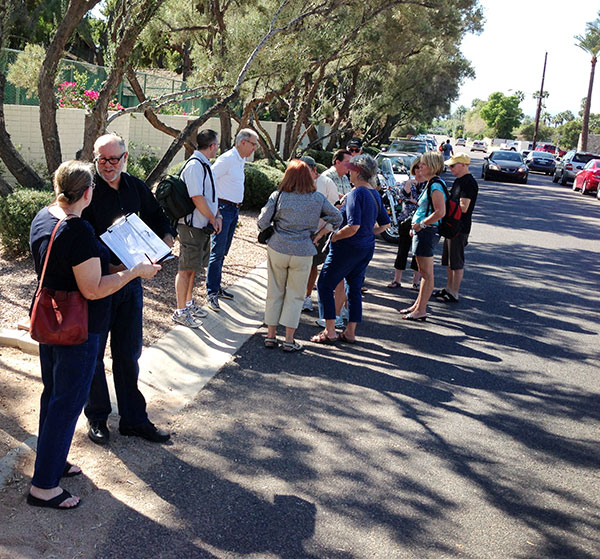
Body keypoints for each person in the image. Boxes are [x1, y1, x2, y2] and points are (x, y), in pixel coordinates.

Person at [28, 160, 160, 510]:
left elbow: (69, 268)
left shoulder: (44, 217)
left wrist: (120, 266)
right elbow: (94, 289)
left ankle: (52, 463)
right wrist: (135, 272)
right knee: (66, 405)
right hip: (79, 328)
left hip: (51, 320)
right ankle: (43, 486)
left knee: (54, 396)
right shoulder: (78, 230)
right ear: (87, 192)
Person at [82, 133, 174, 445]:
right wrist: (110, 267)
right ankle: (96, 417)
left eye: (114, 159)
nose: (108, 165)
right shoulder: (86, 190)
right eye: (102, 159)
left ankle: (133, 419)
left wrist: (165, 244)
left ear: (125, 158)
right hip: (99, 284)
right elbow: (79, 237)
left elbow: (161, 221)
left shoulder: (135, 186)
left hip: (131, 285)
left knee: (128, 353)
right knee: (93, 354)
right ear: (95, 158)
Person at [258, 160, 341, 352]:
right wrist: (319, 234)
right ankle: (289, 339)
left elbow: (262, 221)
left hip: (278, 247)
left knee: (274, 291)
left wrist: (272, 230)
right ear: (309, 176)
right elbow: (337, 218)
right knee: (296, 296)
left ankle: (270, 335)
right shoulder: (317, 198)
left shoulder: (278, 195)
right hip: (303, 250)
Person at [312, 154, 390, 345]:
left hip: (347, 248)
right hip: (366, 247)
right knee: (354, 288)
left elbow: (352, 226)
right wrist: (368, 232)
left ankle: (330, 330)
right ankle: (350, 331)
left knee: (324, 284)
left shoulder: (357, 193)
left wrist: (335, 236)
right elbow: (385, 224)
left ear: (358, 171)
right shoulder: (374, 194)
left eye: (351, 169)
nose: (348, 172)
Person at [206, 128, 259, 312]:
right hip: (223, 209)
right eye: (253, 144)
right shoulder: (227, 159)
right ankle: (211, 292)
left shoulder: (240, 159)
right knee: (217, 251)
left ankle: (217, 287)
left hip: (234, 210)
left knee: (224, 250)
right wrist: (215, 211)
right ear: (242, 142)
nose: (255, 148)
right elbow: (209, 180)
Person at [173, 129, 221, 328]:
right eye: (217, 145)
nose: (218, 148)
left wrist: (216, 216)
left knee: (193, 269)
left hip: (201, 226)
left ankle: (189, 304)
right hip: (191, 226)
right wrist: (212, 217)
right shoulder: (195, 166)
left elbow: (208, 196)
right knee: (185, 269)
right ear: (211, 146)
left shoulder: (203, 164)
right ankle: (180, 311)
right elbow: (196, 197)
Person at [399, 151, 447, 321]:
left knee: (427, 274)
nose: (419, 168)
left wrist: (421, 224)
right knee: (423, 271)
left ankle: (421, 310)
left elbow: (440, 212)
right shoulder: (431, 183)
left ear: (433, 166)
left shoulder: (435, 185)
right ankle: (417, 305)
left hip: (427, 232)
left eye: (423, 165)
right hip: (422, 231)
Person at [432, 153, 479, 302]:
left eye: (453, 165)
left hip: (460, 227)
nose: (451, 168)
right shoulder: (459, 181)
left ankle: (454, 292)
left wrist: (445, 205)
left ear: (464, 165)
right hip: (451, 226)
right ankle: (449, 288)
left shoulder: (469, 182)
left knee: (456, 262)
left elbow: (464, 207)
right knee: (449, 261)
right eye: (450, 166)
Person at [299, 156, 340, 313]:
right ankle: (293, 297)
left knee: (312, 265)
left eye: (305, 170)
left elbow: (336, 212)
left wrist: (323, 232)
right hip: (298, 233)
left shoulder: (326, 183)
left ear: (314, 170)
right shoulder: (296, 182)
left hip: (318, 233)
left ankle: (307, 297)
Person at [387, 156, 424, 289]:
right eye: (416, 168)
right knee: (402, 249)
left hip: (420, 222)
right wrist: (409, 186)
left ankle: (416, 281)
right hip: (406, 220)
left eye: (421, 167)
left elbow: (423, 202)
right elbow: (402, 197)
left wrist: (413, 200)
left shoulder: (428, 184)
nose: (419, 171)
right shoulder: (407, 182)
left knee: (418, 252)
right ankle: (397, 279)